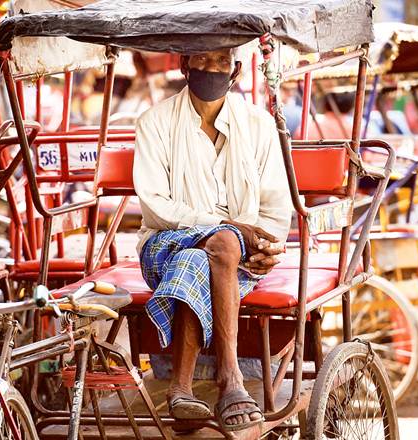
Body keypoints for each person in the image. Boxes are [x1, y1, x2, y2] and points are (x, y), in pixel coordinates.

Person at [133, 47, 292, 432]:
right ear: (185, 65)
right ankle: (231, 379)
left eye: (222, 61)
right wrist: (229, 227)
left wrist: (267, 248)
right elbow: (156, 207)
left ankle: (181, 390)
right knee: (220, 243)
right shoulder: (155, 122)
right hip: (163, 244)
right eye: (202, 59)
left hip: (238, 256)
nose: (212, 68)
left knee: (203, 258)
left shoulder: (258, 124)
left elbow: (275, 208)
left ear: (236, 70)